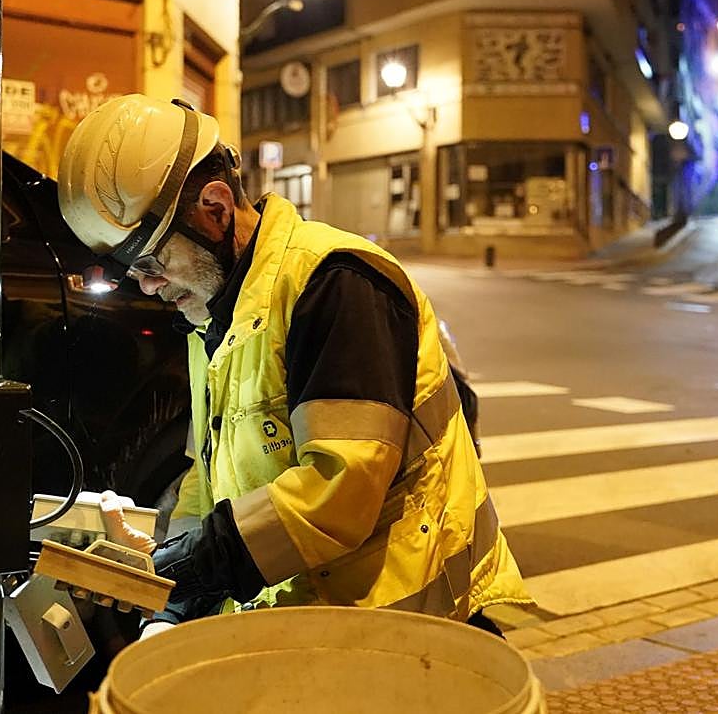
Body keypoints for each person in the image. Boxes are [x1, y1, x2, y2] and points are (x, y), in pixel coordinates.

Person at [58, 94, 530, 636]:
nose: (146, 285)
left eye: (150, 260)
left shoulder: (334, 284)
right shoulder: (213, 315)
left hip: (403, 629)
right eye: (130, 270)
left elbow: (339, 489)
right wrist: (174, 602)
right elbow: (206, 481)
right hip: (313, 621)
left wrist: (182, 571)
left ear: (214, 209)